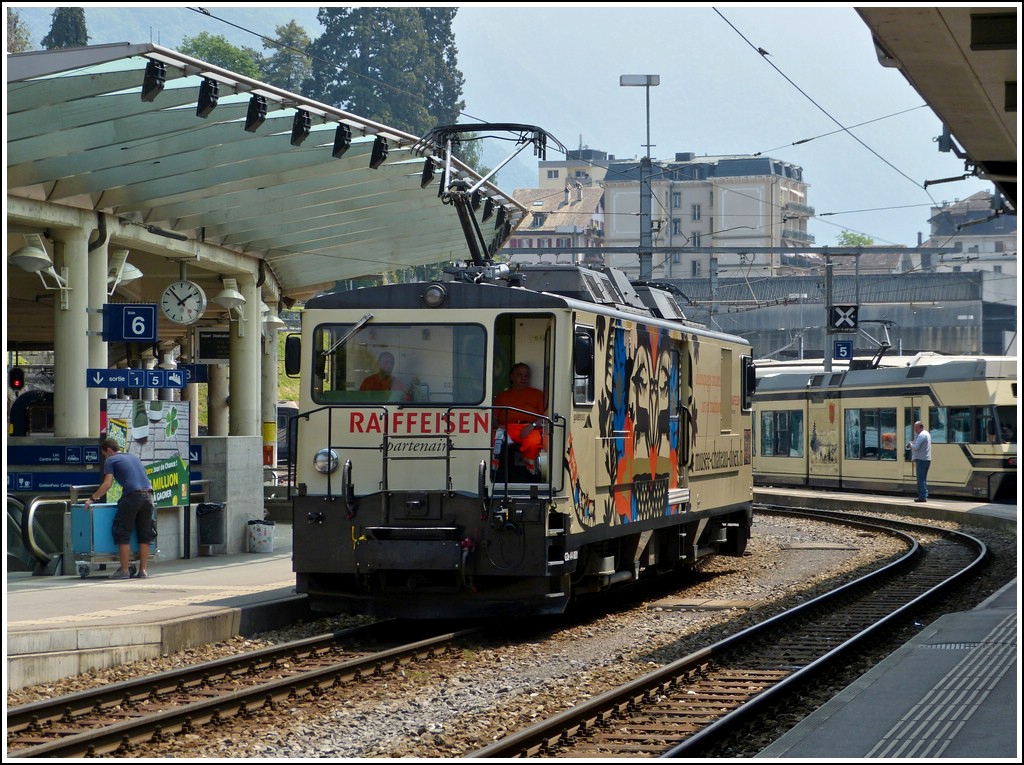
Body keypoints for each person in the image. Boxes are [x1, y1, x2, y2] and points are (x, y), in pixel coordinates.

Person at [84, 438, 156, 579]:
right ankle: (143, 571)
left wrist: (92, 498)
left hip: (132, 496)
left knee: (122, 532)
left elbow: (107, 484)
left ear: (109, 451)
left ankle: (124, 570)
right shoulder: (133, 457)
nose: (105, 457)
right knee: (145, 534)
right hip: (149, 496)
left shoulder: (111, 460)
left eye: (105, 454)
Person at [494, 362, 546, 473]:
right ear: (511, 376)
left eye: (526, 375)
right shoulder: (502, 396)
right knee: (492, 439)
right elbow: (494, 417)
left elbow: (544, 417)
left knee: (533, 444)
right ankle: (494, 474)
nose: (523, 378)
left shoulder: (537, 394)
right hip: (507, 428)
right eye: (520, 375)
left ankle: (531, 475)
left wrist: (532, 426)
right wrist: (499, 427)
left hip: (530, 428)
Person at [907, 420, 932, 502]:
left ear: (920, 427)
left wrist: (911, 445)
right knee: (924, 479)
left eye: (916, 427)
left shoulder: (922, 435)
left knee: (921, 479)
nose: (915, 429)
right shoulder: (926, 434)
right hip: (926, 459)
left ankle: (922, 496)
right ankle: (924, 495)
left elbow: (916, 447)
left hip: (921, 459)